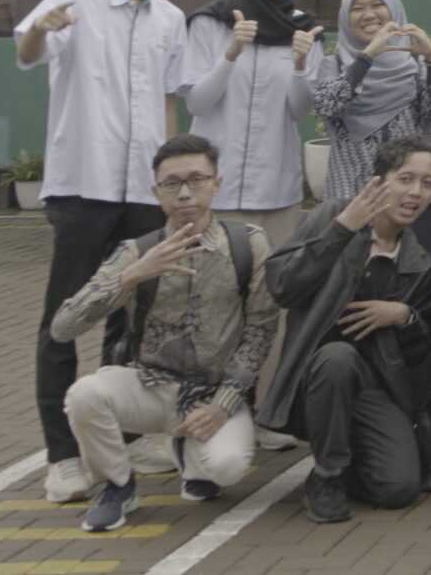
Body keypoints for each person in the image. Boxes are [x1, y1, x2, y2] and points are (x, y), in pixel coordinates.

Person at [15, 0, 192, 503]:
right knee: (64, 319)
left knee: (135, 318)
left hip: (144, 194)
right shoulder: (73, 1)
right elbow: (27, 52)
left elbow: (168, 100)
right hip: (82, 187)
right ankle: (63, 457)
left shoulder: (170, 18)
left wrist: (171, 182)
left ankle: (131, 433)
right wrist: (40, 30)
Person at [51, 135, 279, 533]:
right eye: (171, 183)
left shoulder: (249, 244)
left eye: (196, 180)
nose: (184, 193)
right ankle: (117, 485)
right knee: (84, 395)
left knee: (226, 467)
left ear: (216, 184)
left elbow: (260, 332)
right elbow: (63, 327)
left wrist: (222, 406)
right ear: (157, 193)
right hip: (148, 386)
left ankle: (190, 452)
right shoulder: (135, 251)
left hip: (213, 393)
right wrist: (130, 277)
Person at [262, 137, 431, 523]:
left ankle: (348, 458)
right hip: (313, 381)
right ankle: (327, 476)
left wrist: (404, 316)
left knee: (399, 488)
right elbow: (282, 285)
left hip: (374, 387)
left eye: (427, 183)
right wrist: (342, 229)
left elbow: (418, 352)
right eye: (405, 179)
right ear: (378, 181)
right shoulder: (334, 214)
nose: (416, 192)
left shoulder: (418, 260)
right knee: (337, 358)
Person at [180, 0, 319, 244]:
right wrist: (231, 54)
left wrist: (300, 64)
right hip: (214, 189)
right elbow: (196, 104)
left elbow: (298, 113)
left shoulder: (303, 30)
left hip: (275, 192)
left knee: (273, 273)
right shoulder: (211, 21)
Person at [307, 0, 431, 203]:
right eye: (357, 8)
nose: (368, 15)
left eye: (377, 5)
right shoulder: (333, 65)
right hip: (353, 199)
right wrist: (367, 57)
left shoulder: (415, 64)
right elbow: (328, 106)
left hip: (416, 199)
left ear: (393, 9)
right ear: (345, 17)